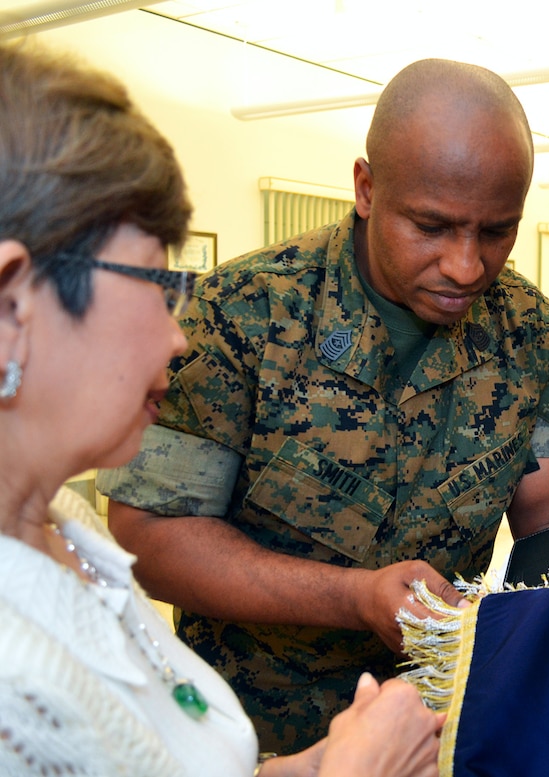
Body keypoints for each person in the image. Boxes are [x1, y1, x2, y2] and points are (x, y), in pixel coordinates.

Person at [98, 58, 549, 753]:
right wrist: (355, 595)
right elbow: (148, 534)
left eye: (496, 231)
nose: (466, 265)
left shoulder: (538, 341)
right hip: (248, 737)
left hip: (432, 732)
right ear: (366, 187)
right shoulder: (242, 316)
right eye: (432, 226)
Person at [0, 40, 442, 776]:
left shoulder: (62, 533)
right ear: (13, 305)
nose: (177, 337)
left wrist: (314, 763)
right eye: (152, 283)